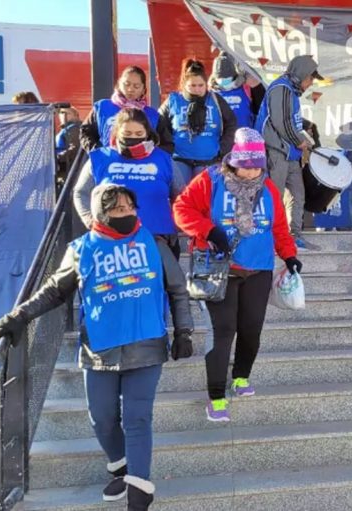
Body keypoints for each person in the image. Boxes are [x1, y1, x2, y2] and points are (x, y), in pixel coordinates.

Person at [0, 184, 194, 510]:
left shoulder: (154, 244)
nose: (126, 214)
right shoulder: (81, 249)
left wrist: (184, 331)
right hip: (99, 349)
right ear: (101, 212)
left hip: (146, 345)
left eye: (130, 208)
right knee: (101, 418)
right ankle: (122, 467)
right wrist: (20, 316)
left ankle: (139, 491)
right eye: (117, 209)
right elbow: (54, 291)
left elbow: (178, 289)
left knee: (137, 418)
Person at [173, 127, 300, 422]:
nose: (252, 172)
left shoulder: (268, 188)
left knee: (251, 329)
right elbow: (181, 209)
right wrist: (208, 230)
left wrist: (289, 255)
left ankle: (241, 376)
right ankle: (216, 396)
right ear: (234, 161)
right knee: (223, 331)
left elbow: (278, 227)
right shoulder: (211, 180)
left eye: (257, 166)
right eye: (246, 166)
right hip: (220, 269)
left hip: (259, 268)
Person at [74, 108, 183, 258]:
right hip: (113, 240)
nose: (133, 138)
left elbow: (181, 194)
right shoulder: (100, 158)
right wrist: (91, 221)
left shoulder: (164, 159)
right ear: (117, 132)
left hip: (159, 239)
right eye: (127, 133)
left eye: (139, 134)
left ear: (147, 133)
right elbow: (81, 193)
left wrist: (177, 223)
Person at [255, 55, 323, 250]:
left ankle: (293, 236)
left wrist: (303, 135)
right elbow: (281, 122)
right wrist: (299, 140)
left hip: (290, 153)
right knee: (273, 196)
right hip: (275, 151)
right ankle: (269, 237)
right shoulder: (281, 88)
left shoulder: (291, 91)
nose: (311, 83)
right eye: (310, 78)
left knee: (297, 195)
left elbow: (291, 121)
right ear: (302, 74)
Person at [159, 59, 237, 186]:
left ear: (206, 84)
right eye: (192, 86)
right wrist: (169, 146)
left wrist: (223, 148)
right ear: (184, 84)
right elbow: (160, 124)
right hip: (180, 159)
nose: (197, 89)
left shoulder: (215, 100)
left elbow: (231, 123)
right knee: (180, 193)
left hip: (208, 160)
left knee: (203, 194)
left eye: (201, 85)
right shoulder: (174, 100)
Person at [80, 66, 173, 154]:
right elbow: (85, 133)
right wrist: (98, 151)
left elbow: (166, 144)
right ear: (119, 84)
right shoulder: (102, 107)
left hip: (142, 163)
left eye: (136, 86)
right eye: (126, 84)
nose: (130, 89)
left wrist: (152, 157)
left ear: (143, 89)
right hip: (107, 160)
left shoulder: (153, 115)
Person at [208, 51, 266, 129]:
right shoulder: (209, 93)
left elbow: (262, 111)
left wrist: (256, 87)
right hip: (223, 135)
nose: (224, 82)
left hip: (246, 134)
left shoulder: (247, 87)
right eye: (220, 79)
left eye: (227, 78)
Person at [55, 106, 81, 193]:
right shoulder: (67, 129)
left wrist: (57, 158)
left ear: (76, 116)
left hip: (70, 170)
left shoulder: (74, 128)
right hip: (64, 168)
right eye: (61, 113)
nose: (63, 115)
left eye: (67, 113)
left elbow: (75, 149)